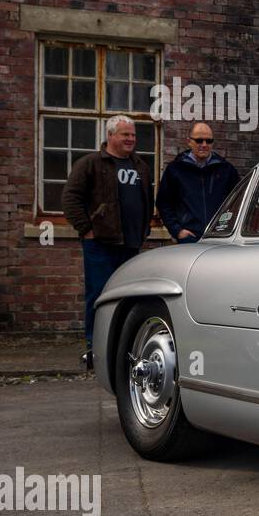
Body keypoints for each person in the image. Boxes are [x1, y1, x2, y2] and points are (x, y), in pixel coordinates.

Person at [62, 115, 154, 369]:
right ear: (110, 135)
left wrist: (144, 229)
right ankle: (95, 349)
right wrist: (87, 230)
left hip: (131, 245)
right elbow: (70, 198)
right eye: (125, 134)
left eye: (133, 135)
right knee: (99, 297)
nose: (131, 139)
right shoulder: (91, 164)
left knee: (129, 297)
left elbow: (147, 199)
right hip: (100, 245)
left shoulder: (141, 167)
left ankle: (124, 347)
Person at [156, 122, 240, 244]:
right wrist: (177, 231)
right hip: (189, 239)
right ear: (189, 141)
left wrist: (229, 227)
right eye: (199, 140)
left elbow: (238, 202)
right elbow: (163, 203)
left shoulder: (226, 170)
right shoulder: (175, 169)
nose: (204, 145)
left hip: (220, 238)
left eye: (209, 141)